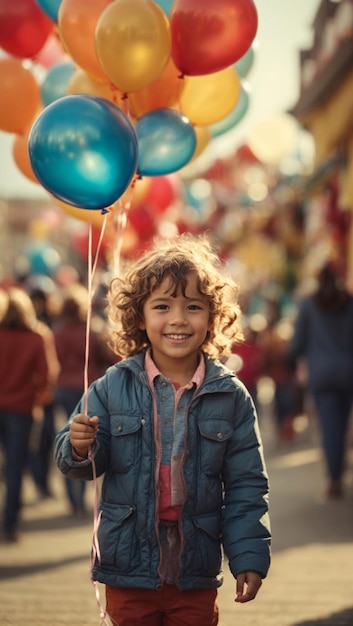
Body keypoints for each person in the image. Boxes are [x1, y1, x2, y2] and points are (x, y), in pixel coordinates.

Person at [54, 235, 271, 626]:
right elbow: (78, 460)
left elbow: (247, 485)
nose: (177, 319)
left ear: (212, 316)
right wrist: (78, 445)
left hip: (195, 567)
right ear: (139, 316)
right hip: (128, 562)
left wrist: (248, 556)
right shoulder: (112, 384)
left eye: (193, 307)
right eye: (162, 306)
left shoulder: (231, 395)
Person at [289, 261, 353, 498]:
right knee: (344, 425)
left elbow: (297, 344)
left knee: (331, 428)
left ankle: (335, 478)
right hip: (348, 372)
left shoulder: (308, 305)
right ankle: (340, 473)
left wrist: (294, 363)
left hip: (322, 375)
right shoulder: (349, 303)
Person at [53, 283, 115, 517]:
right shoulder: (92, 332)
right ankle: (80, 495)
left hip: (64, 387)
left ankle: (73, 498)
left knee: (72, 437)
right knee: (85, 439)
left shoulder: (57, 333)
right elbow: (106, 357)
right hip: (87, 387)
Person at [0, 287, 49, 542]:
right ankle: (10, 522)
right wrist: (38, 400)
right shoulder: (36, 337)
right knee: (15, 467)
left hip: (14, 407)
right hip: (21, 409)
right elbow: (47, 375)